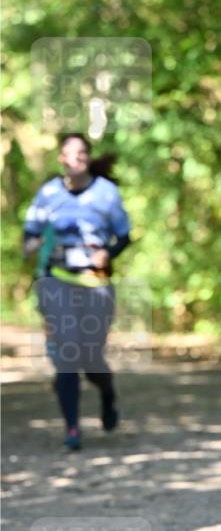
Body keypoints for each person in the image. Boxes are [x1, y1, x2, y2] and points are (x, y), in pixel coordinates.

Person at [23, 133, 131, 450]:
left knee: (91, 356)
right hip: (56, 280)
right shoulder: (47, 194)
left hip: (95, 283)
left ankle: (107, 393)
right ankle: (72, 429)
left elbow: (124, 235)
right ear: (61, 159)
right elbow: (28, 239)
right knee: (67, 353)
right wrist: (38, 245)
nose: (77, 158)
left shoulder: (107, 193)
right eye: (71, 153)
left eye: (82, 152)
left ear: (88, 156)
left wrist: (108, 254)